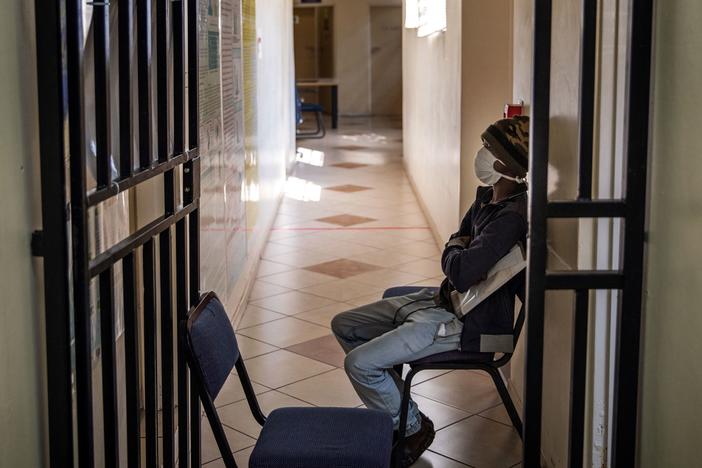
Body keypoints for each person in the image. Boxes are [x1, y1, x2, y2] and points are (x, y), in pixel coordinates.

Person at [331, 115, 530, 467]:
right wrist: (459, 249)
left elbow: (460, 268)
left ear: (505, 163)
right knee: (345, 324)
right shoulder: (487, 197)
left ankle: (411, 426)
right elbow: (458, 252)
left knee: (359, 364)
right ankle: (396, 404)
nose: (480, 154)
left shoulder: (511, 218)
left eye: (488, 149)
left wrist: (457, 250)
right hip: (443, 300)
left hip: (469, 324)